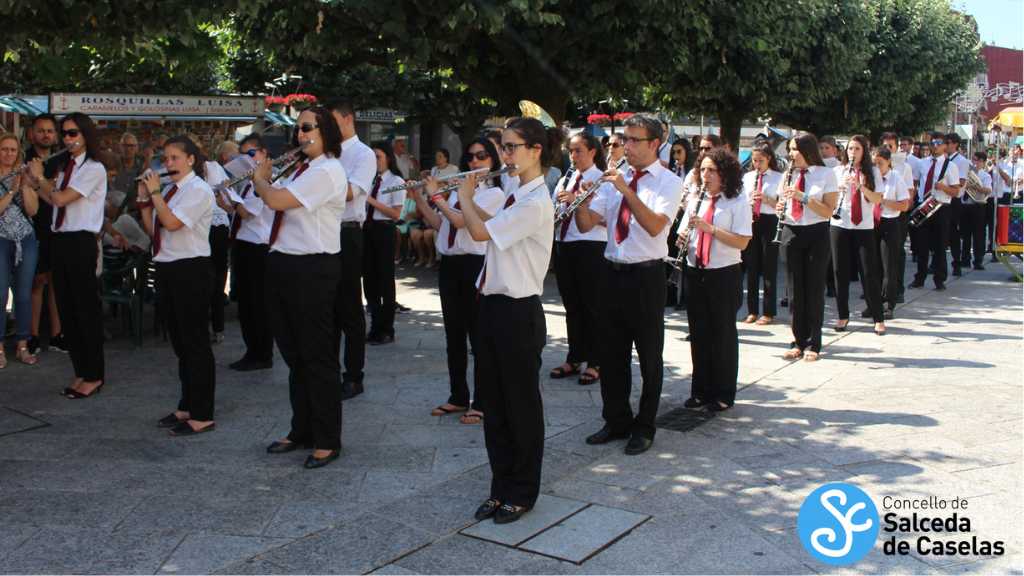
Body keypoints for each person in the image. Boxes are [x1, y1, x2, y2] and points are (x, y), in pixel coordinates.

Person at [459, 116, 557, 525]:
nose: (506, 155)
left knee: (521, 408)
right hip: (492, 307)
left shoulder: (535, 202)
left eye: (513, 147)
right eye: (504, 147)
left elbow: (480, 234)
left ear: (536, 151)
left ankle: (522, 491)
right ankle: (500, 487)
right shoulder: (515, 191)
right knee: (494, 406)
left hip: (519, 312)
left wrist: (463, 195)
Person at [575, 113, 683, 455]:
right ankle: (616, 419)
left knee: (649, 354)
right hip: (612, 271)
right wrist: (581, 199)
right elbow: (588, 223)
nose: (627, 147)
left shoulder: (668, 182)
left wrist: (625, 190)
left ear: (654, 144)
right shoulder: (615, 179)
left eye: (634, 141)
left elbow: (654, 226)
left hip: (646, 275)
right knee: (611, 351)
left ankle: (645, 425)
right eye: (625, 140)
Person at [258, 107, 347, 469]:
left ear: (325, 131)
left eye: (307, 128)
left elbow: (277, 200)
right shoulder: (302, 169)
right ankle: (302, 429)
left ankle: (327, 438)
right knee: (294, 356)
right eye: (298, 129)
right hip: (285, 263)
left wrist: (261, 179)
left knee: (317, 356)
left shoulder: (327, 170)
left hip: (313, 268)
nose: (299, 134)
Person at [415, 138, 505, 425]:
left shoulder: (493, 194)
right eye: (471, 157)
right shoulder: (459, 191)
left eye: (482, 157)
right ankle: (457, 396)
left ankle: (481, 401)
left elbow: (460, 222)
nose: (475, 162)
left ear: (492, 160)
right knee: (453, 335)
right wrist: (421, 198)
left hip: (474, 265)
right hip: (450, 265)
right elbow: (442, 225)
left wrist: (438, 197)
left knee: (478, 336)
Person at [137, 136, 216, 435]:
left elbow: (172, 224)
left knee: (195, 343)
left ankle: (203, 412)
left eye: (175, 158)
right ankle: (187, 404)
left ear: (191, 160)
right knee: (180, 343)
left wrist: (155, 192)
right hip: (168, 266)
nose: (168, 164)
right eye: (166, 159)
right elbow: (153, 228)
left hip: (190, 269)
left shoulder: (198, 190)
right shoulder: (170, 191)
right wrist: (145, 198)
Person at [28, 112, 107, 397]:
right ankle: (81, 371)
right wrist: (36, 182)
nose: (67, 139)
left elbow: (61, 198)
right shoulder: (66, 167)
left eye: (73, 133)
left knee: (85, 310)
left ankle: (95, 374)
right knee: (67, 309)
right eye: (65, 133)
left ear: (86, 135)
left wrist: (41, 178)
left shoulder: (93, 168)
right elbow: (52, 200)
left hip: (80, 242)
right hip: (60, 239)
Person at [677, 148, 751, 411]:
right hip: (696, 269)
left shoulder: (737, 201)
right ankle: (700, 390)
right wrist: (682, 238)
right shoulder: (696, 198)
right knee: (698, 332)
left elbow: (742, 241)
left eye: (712, 171)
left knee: (722, 334)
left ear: (725, 174)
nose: (705, 175)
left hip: (723, 272)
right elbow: (683, 231)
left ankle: (723, 392)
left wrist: (711, 229)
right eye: (703, 170)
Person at [327, 100, 377, 400]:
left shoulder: (363, 154)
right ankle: (328, 370)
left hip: (347, 232)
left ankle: (353, 375)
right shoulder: (326, 154)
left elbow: (350, 193)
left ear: (348, 119)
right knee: (325, 306)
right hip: (322, 232)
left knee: (349, 307)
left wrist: (317, 187)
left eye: (333, 121)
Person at [550, 133, 608, 386]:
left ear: (593, 152)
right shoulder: (567, 177)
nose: (573, 156)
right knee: (572, 306)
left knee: (592, 306)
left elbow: (609, 217)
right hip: (565, 243)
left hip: (591, 245)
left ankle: (596, 361)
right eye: (570, 151)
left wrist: (577, 201)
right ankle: (575, 357)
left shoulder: (602, 180)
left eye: (578, 151)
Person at [777, 133, 838, 362]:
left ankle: (814, 342)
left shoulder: (825, 174)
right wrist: (780, 206)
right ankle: (797, 340)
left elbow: (828, 210)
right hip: (791, 231)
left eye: (795, 149)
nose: (791, 154)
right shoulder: (788, 174)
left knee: (813, 290)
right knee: (794, 291)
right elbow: (780, 204)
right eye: (790, 150)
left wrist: (803, 197)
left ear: (807, 150)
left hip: (816, 233)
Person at [829, 136, 886, 336]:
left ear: (864, 151)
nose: (853, 152)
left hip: (863, 226)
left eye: (857, 149)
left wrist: (860, 186)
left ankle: (878, 317)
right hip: (840, 224)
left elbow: (878, 199)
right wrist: (840, 188)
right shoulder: (837, 171)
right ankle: (843, 314)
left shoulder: (874, 172)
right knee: (839, 271)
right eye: (850, 149)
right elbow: (829, 199)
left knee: (869, 272)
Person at [227, 134, 273, 371]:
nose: (247, 159)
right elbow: (235, 210)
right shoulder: (247, 181)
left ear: (264, 154)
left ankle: (262, 353)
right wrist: (222, 195)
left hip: (258, 247)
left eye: (251, 153)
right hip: (243, 244)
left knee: (258, 303)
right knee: (245, 302)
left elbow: (248, 213)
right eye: (243, 154)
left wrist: (234, 203)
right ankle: (251, 350)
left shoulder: (266, 180)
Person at [24, 114, 65, 355]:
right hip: (34, 229)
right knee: (37, 282)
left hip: (59, 228)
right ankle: (33, 335)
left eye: (50, 131)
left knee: (56, 282)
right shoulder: (25, 159)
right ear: (32, 133)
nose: (46, 135)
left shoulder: (63, 160)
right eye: (41, 130)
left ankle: (58, 334)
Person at [0, 134, 41, 367]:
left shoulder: (22, 175)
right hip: (1, 238)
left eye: (13, 150)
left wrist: (25, 185)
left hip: (25, 238)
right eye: (4, 149)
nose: (8, 154)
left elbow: (33, 210)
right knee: (0, 294)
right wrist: (11, 191)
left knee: (24, 294)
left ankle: (22, 345)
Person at [363, 142, 406, 346]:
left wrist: (370, 201)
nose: (375, 161)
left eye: (378, 156)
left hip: (384, 230)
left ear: (388, 158)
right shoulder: (371, 181)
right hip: (367, 229)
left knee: (385, 280)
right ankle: (374, 325)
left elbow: (396, 213)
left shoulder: (395, 181)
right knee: (369, 280)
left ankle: (387, 328)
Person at [909, 132, 960, 291]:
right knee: (921, 244)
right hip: (923, 205)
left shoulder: (950, 166)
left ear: (945, 146)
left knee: (940, 245)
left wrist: (943, 187)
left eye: (939, 143)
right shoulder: (922, 163)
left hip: (941, 207)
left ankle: (940, 279)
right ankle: (920, 277)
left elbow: (956, 191)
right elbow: (915, 183)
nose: (935, 146)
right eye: (932, 143)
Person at [740, 141, 783, 324]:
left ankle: (768, 311)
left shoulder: (778, 178)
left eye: (760, 161)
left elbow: (781, 206)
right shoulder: (748, 177)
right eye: (754, 160)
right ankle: (752, 310)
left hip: (769, 220)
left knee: (768, 268)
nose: (757, 164)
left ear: (769, 159)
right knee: (751, 266)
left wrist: (766, 199)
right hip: (751, 220)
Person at [871, 146, 911, 318]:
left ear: (888, 162)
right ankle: (874, 303)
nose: (876, 166)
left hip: (889, 222)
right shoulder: (870, 178)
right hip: (871, 223)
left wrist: (884, 201)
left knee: (889, 265)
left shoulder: (896, 178)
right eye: (873, 163)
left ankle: (889, 303)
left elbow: (904, 205)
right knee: (873, 266)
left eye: (879, 163)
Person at [203, 148, 232, 344]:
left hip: (212, 226)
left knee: (214, 277)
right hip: (212, 226)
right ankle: (217, 327)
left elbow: (228, 193)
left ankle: (216, 326)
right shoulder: (214, 167)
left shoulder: (213, 168)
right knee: (214, 277)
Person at [959, 151, 992, 271]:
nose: (974, 163)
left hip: (978, 206)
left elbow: (988, 190)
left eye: (977, 160)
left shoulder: (985, 176)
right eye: (973, 160)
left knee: (978, 235)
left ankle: (978, 260)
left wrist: (974, 187)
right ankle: (965, 259)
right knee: (965, 234)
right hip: (965, 205)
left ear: (983, 162)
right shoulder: (966, 174)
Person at [944, 133, 970, 277]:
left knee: (953, 233)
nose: (945, 146)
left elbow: (961, 181)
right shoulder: (942, 159)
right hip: (942, 198)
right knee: (939, 232)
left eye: (947, 143)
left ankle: (956, 263)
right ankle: (936, 263)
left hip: (954, 200)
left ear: (955, 144)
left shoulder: (962, 161)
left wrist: (944, 184)